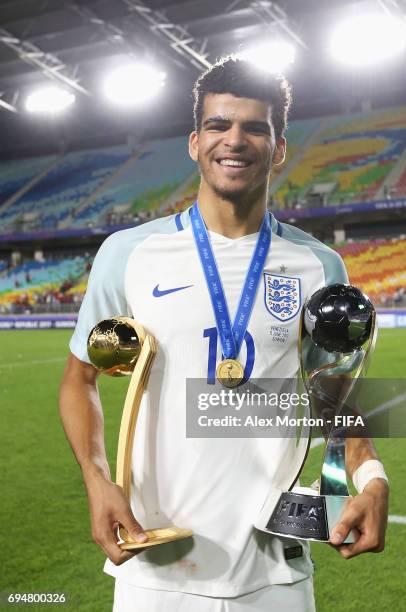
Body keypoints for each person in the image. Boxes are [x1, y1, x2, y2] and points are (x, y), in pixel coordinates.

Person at [59, 56, 389, 612]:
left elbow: (336, 394)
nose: (234, 140)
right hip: (156, 567)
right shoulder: (129, 254)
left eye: (255, 128)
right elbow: (79, 379)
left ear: (279, 148)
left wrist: (372, 477)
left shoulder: (319, 266)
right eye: (218, 125)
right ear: (194, 142)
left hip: (276, 571)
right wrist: (97, 480)